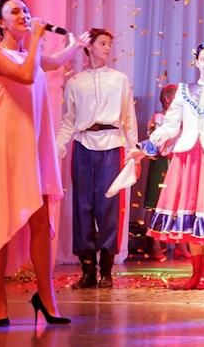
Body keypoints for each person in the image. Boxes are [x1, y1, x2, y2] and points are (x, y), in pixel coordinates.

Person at [0, 0, 89, 326]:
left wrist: (75, 45)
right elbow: (26, 76)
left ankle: (46, 296)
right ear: (1, 22)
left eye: (25, 9)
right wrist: (37, 38)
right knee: (0, 221)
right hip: (7, 145)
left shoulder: (32, 54)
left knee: (40, 220)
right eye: (15, 11)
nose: (24, 15)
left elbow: (51, 62)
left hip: (33, 144)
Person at [142, 42, 204, 290]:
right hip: (187, 157)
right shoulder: (184, 90)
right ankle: (195, 274)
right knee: (190, 215)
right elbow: (171, 124)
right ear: (197, 62)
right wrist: (154, 140)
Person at [56, 28, 138, 289]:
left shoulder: (119, 79)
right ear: (89, 46)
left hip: (112, 145)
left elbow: (128, 117)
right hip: (83, 146)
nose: (107, 48)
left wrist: (134, 150)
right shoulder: (75, 82)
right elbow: (68, 121)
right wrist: (58, 147)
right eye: (102, 43)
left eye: (109, 44)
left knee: (109, 207)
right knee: (82, 208)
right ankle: (88, 270)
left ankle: (107, 269)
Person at [144, 84, 180, 261]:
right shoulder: (159, 117)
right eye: (175, 96)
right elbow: (156, 141)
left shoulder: (180, 118)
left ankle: (181, 244)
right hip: (161, 162)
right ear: (167, 99)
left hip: (177, 161)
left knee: (179, 203)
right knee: (156, 202)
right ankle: (155, 244)